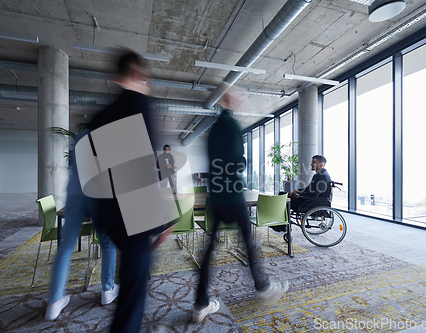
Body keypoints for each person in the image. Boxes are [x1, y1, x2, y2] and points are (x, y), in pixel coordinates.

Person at [88, 50, 173, 333]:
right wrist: (161, 220)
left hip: (110, 214)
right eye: (145, 77)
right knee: (134, 290)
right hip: (135, 216)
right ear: (138, 75)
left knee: (132, 282)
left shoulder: (99, 117)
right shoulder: (140, 104)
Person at [192, 92, 289, 324]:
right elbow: (236, 159)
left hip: (215, 196)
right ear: (229, 102)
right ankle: (263, 286)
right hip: (232, 195)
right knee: (248, 241)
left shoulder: (213, 130)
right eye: (235, 98)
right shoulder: (233, 125)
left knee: (209, 249)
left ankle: (200, 303)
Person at [45, 130, 118, 321]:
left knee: (66, 247)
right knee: (107, 244)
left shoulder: (81, 136)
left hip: (75, 192)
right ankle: (107, 290)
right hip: (97, 193)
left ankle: (54, 302)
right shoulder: (106, 136)